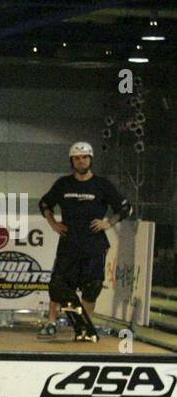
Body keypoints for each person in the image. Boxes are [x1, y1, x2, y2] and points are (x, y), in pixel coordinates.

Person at [37, 141, 131, 342]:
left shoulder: (102, 185)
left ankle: (85, 328)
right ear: (72, 161)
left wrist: (108, 222)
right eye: (77, 158)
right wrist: (53, 223)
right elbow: (44, 203)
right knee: (58, 285)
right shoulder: (63, 184)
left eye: (85, 157)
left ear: (91, 159)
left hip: (94, 245)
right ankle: (51, 323)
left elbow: (124, 208)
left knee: (92, 288)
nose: (81, 161)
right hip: (69, 244)